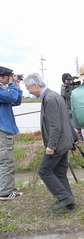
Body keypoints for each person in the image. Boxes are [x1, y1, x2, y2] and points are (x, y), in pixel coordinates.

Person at [24, 73, 78, 211]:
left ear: (36, 85)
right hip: (65, 141)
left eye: (28, 88)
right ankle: (69, 201)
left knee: (44, 171)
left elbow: (55, 126)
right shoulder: (55, 95)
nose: (29, 92)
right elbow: (64, 120)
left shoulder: (49, 99)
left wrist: (51, 146)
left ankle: (64, 197)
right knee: (60, 172)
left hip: (58, 143)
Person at [0, 66, 23, 200]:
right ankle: (5, 192)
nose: (10, 79)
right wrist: (11, 84)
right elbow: (12, 96)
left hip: (5, 129)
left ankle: (6, 187)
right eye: (8, 77)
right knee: (6, 161)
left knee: (5, 159)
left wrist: (17, 85)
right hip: (2, 130)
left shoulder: (4, 90)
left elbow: (16, 101)